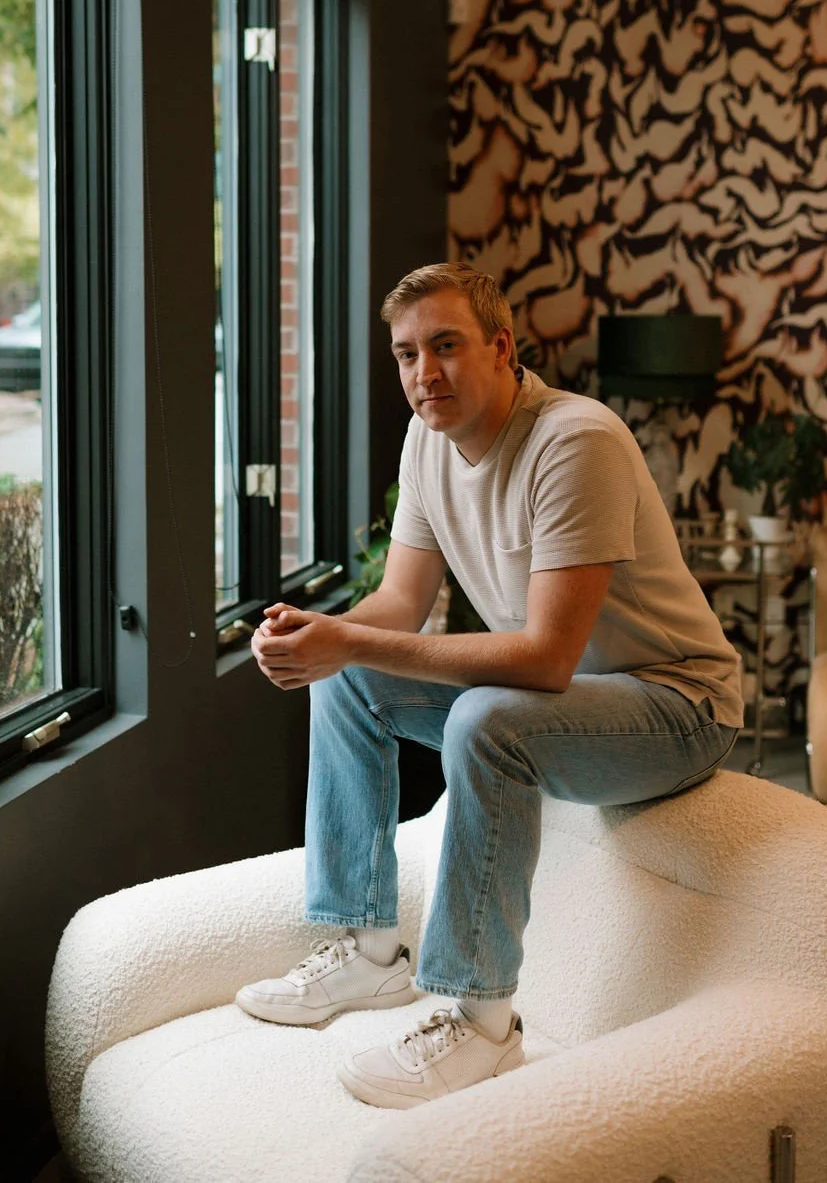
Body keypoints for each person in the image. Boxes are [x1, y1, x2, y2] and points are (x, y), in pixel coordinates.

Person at [237, 262, 743, 1109]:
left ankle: (481, 1019)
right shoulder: (427, 441)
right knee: (351, 672)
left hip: (675, 704)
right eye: (406, 355)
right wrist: (317, 639)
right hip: (566, 700)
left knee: (485, 720)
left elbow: (546, 657)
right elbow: (401, 602)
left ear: (501, 347)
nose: (423, 374)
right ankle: (367, 951)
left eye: (445, 345)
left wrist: (347, 638)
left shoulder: (576, 441)